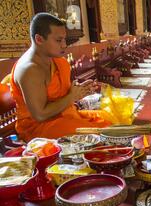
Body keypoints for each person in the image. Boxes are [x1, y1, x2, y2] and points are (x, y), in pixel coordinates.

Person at [10, 13, 109, 142]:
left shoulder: (58, 61)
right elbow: (40, 115)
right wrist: (72, 97)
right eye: (58, 40)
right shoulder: (29, 70)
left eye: (64, 40)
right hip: (39, 128)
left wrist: (80, 91)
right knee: (99, 134)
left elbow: (62, 96)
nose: (64, 45)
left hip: (63, 116)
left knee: (108, 120)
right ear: (39, 39)